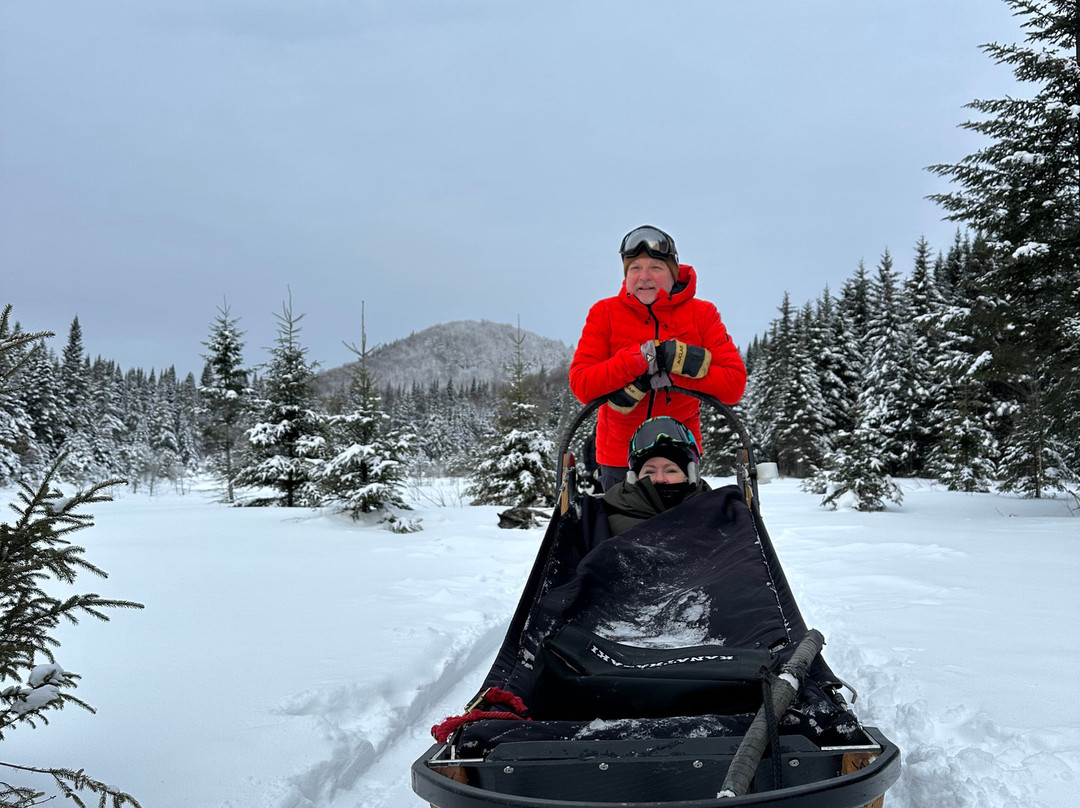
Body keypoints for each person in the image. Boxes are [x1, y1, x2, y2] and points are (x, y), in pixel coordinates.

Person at [569, 224, 746, 491]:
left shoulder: (702, 314)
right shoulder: (604, 313)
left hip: (679, 459)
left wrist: (674, 366)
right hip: (619, 460)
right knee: (620, 531)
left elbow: (733, 385)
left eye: (655, 267)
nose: (644, 276)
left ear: (673, 273)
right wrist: (637, 361)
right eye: (635, 268)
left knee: (681, 532)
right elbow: (583, 384)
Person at [602, 416, 711, 536]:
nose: (659, 479)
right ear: (635, 476)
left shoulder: (717, 513)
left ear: (689, 475)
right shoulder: (603, 518)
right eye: (650, 472)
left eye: (671, 471)